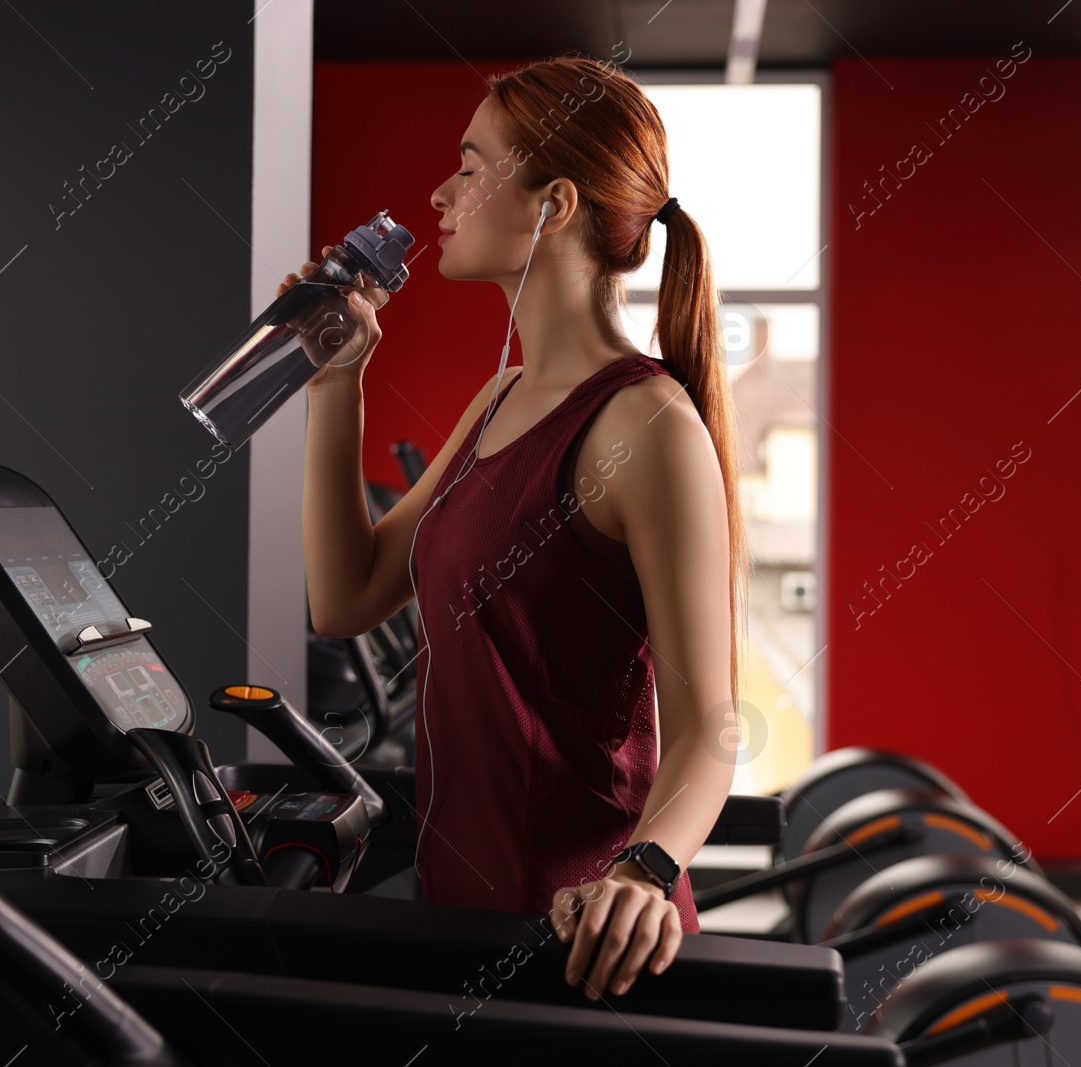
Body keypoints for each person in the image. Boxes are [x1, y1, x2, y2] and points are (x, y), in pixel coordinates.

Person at [292, 54, 749, 1004]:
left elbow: (711, 726)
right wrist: (338, 384)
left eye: (472, 164)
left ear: (554, 204)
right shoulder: (500, 398)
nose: (440, 191)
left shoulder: (648, 425)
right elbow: (345, 597)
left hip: (585, 944)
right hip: (466, 921)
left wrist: (645, 874)